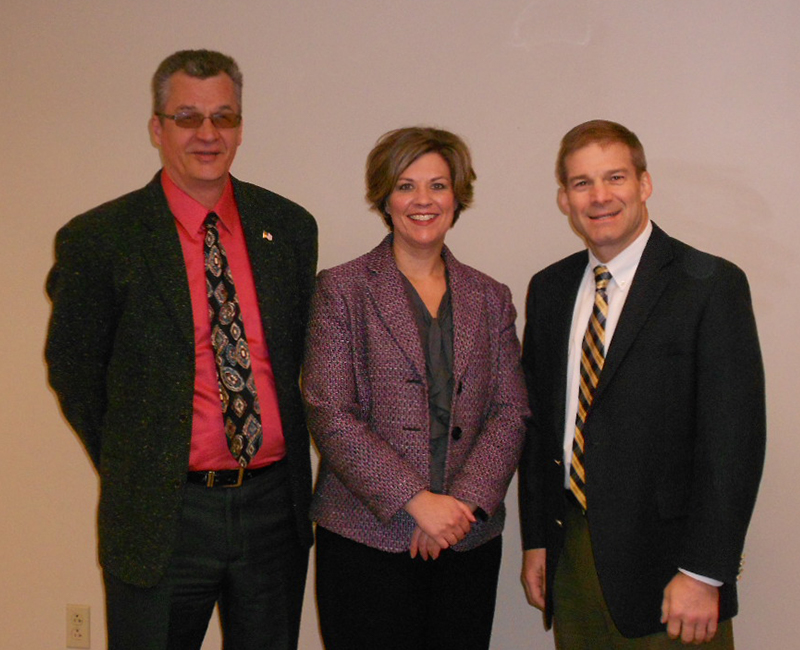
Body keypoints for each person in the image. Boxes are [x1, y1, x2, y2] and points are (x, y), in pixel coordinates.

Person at [45, 49, 317, 650]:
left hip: (275, 508)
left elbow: (297, 356)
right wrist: (142, 456)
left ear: (241, 128)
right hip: (162, 518)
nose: (207, 133)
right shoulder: (100, 240)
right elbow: (75, 373)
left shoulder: (289, 227)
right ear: (156, 128)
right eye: (188, 117)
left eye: (224, 117)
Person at [518, 119, 766, 648]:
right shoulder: (551, 288)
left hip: (672, 570)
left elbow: (734, 443)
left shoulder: (710, 285)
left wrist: (704, 572)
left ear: (644, 184)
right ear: (563, 198)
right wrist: (537, 540)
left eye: (615, 178)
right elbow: (538, 427)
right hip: (573, 554)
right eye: (582, 183)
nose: (600, 196)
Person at [302, 126, 529, 650]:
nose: (423, 201)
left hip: (467, 541)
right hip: (363, 538)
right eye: (406, 186)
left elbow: (511, 411)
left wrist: (461, 505)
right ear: (384, 197)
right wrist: (414, 500)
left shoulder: (491, 297)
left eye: (438, 185)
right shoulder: (342, 289)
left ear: (457, 196)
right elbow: (329, 410)